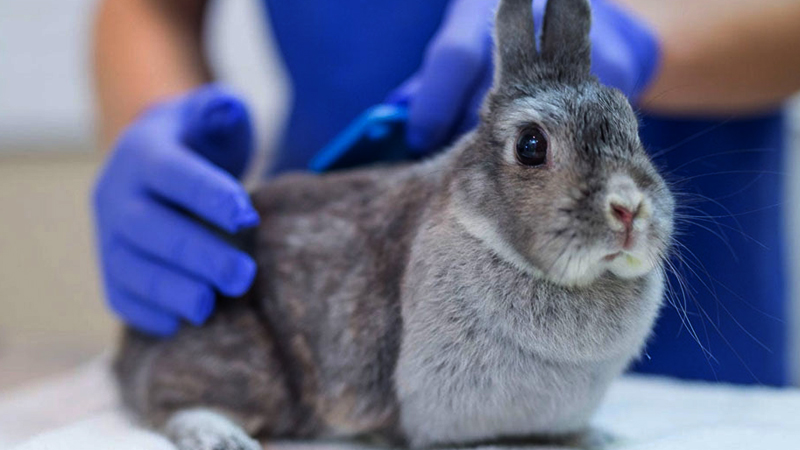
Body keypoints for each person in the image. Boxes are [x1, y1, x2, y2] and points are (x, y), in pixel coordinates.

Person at [92, 0, 800, 385]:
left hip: (692, 345)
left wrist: (638, 35)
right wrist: (159, 126)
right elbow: (148, 10)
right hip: (343, 279)